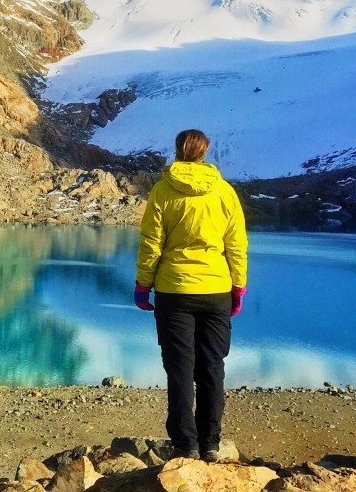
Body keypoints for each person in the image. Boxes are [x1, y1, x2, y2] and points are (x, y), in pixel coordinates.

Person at [133, 129, 247, 462]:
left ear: (178, 151)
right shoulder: (225, 192)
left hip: (174, 291)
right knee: (212, 366)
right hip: (216, 290)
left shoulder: (162, 191)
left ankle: (186, 444)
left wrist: (143, 285)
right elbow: (236, 245)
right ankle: (210, 442)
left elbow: (151, 244)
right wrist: (237, 288)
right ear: (204, 152)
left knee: (180, 369)